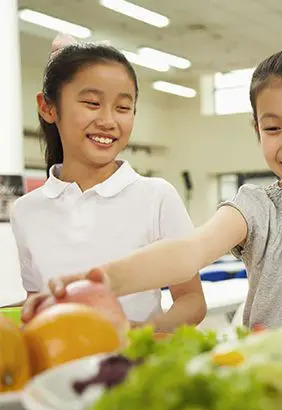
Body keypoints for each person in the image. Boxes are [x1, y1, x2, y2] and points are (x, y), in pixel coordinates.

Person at [23, 45, 282, 328]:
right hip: (274, 388)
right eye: (272, 128)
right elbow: (189, 252)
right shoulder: (254, 207)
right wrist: (100, 280)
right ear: (258, 131)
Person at [11, 35, 205, 332]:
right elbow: (37, 302)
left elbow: (191, 299)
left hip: (135, 369)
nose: (107, 120)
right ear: (48, 108)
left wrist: (142, 335)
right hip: (59, 369)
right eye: (92, 103)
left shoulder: (156, 196)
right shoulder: (26, 211)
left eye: (123, 108)